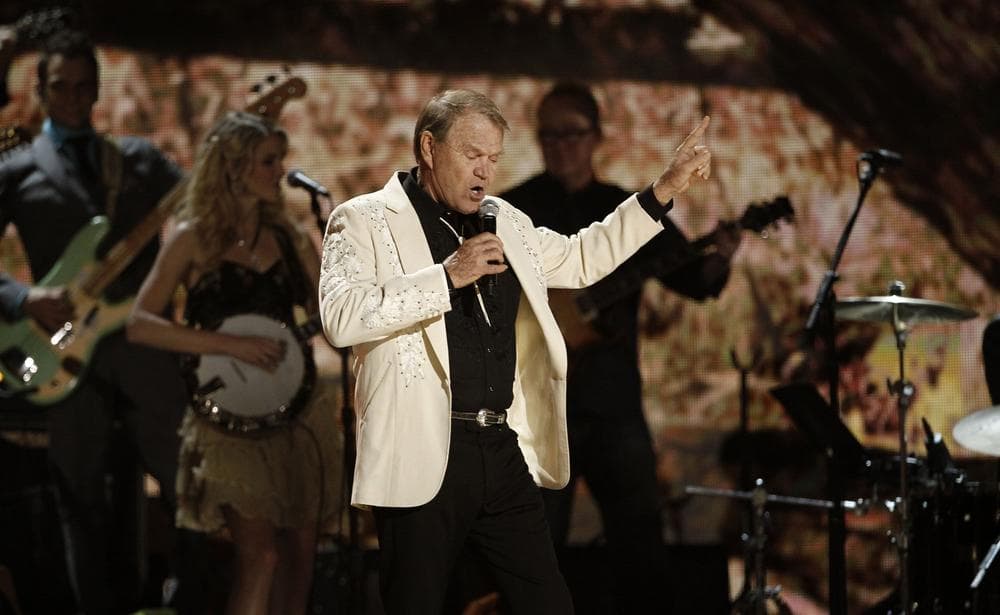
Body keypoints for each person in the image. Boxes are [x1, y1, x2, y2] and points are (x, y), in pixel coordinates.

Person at [317, 88, 713, 614]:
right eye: (472, 155)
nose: (484, 171)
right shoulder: (365, 219)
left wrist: (661, 192)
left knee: (549, 604)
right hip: (420, 447)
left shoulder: (504, 219)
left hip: (498, 448)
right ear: (429, 148)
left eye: (494, 158)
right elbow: (342, 317)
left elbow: (581, 258)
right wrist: (447, 276)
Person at [500, 82, 740, 612]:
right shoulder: (514, 210)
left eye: (571, 133)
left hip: (613, 405)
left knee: (640, 546)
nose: (560, 145)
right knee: (535, 551)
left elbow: (695, 280)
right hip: (541, 409)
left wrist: (722, 254)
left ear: (596, 137)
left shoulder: (625, 210)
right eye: (548, 135)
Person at [0, 30, 190, 614]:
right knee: (78, 500)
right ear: (40, 92)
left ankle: (191, 595)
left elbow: (201, 209)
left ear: (99, 91)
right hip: (60, 352)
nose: (74, 98)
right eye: (61, 87)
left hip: (140, 345)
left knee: (188, 484)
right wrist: (23, 299)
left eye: (85, 87)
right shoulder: (16, 169)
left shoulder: (138, 160)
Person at [126, 110, 342, 615]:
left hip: (298, 414)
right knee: (261, 556)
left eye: (280, 159)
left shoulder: (289, 237)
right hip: (226, 417)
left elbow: (331, 316)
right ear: (233, 166)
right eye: (268, 161)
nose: (280, 171)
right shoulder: (191, 237)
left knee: (300, 559)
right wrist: (228, 346)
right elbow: (140, 323)